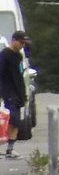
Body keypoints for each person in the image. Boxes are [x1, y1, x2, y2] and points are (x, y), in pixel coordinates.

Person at [0, 31, 31, 159]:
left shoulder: (18, 56)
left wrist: (23, 94)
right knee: (11, 119)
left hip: (18, 93)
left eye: (24, 43)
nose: (22, 45)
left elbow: (19, 75)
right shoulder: (4, 55)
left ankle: (10, 149)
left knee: (16, 122)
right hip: (8, 92)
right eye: (21, 42)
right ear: (14, 40)